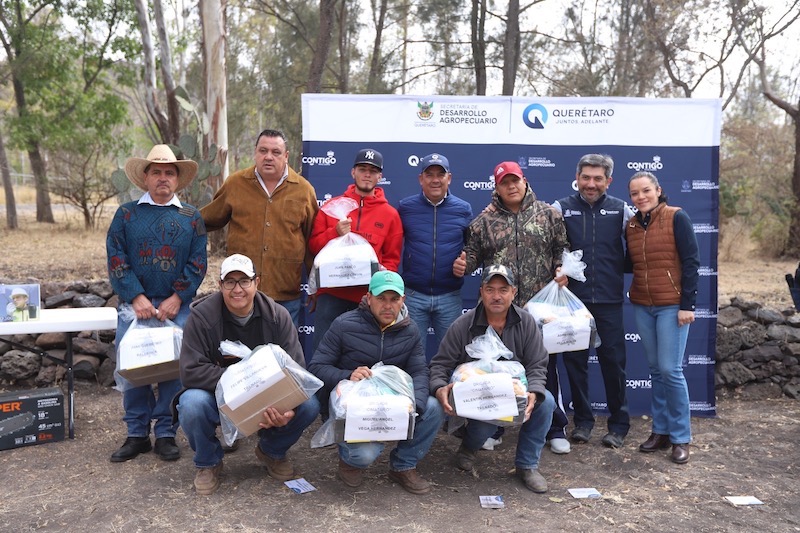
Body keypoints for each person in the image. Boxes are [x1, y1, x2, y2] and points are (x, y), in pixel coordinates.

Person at [175, 254, 320, 495]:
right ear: (220, 285)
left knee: (310, 404)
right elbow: (190, 372)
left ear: (257, 282)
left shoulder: (277, 316)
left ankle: (272, 451)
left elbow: (298, 371)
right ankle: (209, 462)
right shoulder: (201, 318)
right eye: (230, 282)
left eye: (244, 281)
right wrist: (238, 382)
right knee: (191, 403)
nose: (237, 289)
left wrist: (287, 409)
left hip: (268, 398)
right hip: (219, 398)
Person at [452, 161, 572, 454]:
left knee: (544, 368)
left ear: (524, 180)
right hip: (498, 309)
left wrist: (561, 267)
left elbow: (562, 248)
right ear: (497, 187)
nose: (511, 186)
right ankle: (495, 427)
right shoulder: (483, 222)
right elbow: (472, 259)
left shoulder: (549, 214)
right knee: (496, 368)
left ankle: (553, 427)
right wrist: (462, 266)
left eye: (514, 180)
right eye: (504, 182)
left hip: (541, 308)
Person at [106, 144, 208, 463]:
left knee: (173, 370)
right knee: (133, 368)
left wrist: (178, 297)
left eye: (169, 172)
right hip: (134, 306)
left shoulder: (191, 217)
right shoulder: (126, 214)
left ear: (177, 180)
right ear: (145, 178)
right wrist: (135, 296)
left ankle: (165, 432)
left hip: (175, 306)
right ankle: (136, 433)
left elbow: (197, 262)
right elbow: (116, 255)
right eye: (156, 172)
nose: (163, 178)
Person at [308, 271, 443, 494]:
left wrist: (414, 409)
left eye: (394, 299)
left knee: (433, 407)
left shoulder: (411, 331)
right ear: (368, 298)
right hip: (355, 406)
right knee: (365, 455)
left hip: (393, 403)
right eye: (381, 298)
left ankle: (403, 465)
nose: (388, 306)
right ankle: (351, 462)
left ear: (403, 301)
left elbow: (419, 371)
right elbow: (317, 368)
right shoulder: (344, 324)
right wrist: (348, 374)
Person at [430, 264, 555, 493]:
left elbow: (538, 363)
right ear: (481, 291)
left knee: (547, 403)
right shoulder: (463, 324)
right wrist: (440, 388)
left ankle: (527, 466)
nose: (496, 296)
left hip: (516, 393)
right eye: (490, 289)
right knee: (483, 427)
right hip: (478, 397)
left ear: (513, 293)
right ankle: (468, 448)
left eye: (503, 290)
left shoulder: (526, 323)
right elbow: (440, 364)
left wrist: (534, 392)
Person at [552, 154, 632, 449]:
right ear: (578, 177)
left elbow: (641, 243)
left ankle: (619, 425)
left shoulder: (621, 209)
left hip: (610, 299)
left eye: (598, 178)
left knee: (615, 364)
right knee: (576, 364)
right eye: (586, 177)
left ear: (608, 181)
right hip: (573, 301)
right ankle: (583, 422)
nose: (591, 183)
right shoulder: (561, 208)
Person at [201, 129, 318, 325]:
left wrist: (316, 286)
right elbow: (207, 219)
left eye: (276, 152)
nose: (268, 157)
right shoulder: (236, 184)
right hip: (241, 292)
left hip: (285, 293)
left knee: (282, 353)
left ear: (286, 156)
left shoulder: (304, 190)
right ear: (255, 152)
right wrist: (177, 221)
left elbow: (313, 241)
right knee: (238, 353)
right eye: (263, 151)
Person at [626, 171, 699, 464]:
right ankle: (661, 430)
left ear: (658, 190)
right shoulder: (631, 225)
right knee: (656, 370)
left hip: (672, 305)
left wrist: (687, 305)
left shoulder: (676, 217)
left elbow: (692, 261)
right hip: (643, 304)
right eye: (634, 193)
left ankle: (681, 437)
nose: (641, 197)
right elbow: (626, 262)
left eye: (646, 191)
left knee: (670, 370)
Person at [308, 148, 403, 353]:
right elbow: (314, 247)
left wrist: (384, 273)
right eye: (362, 169)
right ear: (353, 172)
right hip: (331, 296)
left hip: (368, 299)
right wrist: (334, 232)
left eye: (372, 170)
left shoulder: (390, 215)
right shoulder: (332, 207)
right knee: (323, 354)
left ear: (380, 176)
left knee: (363, 356)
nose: (367, 174)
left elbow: (392, 259)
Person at [398, 153, 473, 359]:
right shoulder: (406, 207)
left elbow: (473, 249)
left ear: (449, 178)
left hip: (449, 296)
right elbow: (393, 244)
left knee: (452, 356)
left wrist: (466, 264)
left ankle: (446, 392)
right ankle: (417, 393)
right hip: (414, 295)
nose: (435, 180)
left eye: (440, 174)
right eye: (429, 174)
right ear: (420, 179)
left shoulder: (463, 209)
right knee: (412, 356)